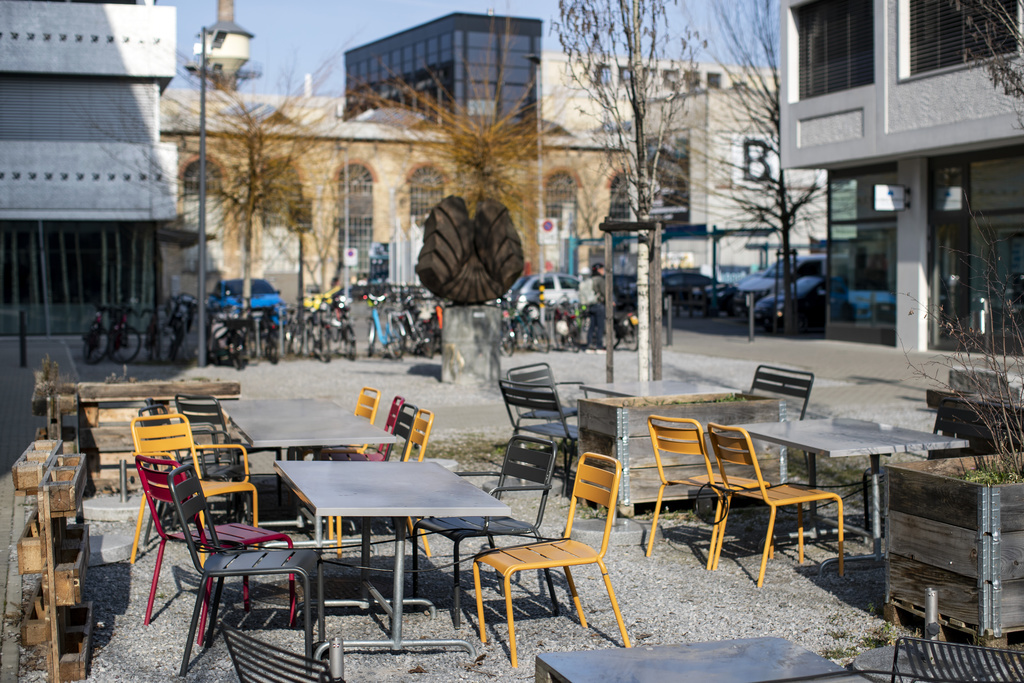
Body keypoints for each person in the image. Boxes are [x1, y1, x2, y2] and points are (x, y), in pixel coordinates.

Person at [584, 263, 606, 352]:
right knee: (600, 326)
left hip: (590, 305)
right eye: (602, 269)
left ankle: (589, 345)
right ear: (599, 270)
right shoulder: (600, 280)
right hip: (599, 305)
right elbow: (604, 292)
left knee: (592, 326)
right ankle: (599, 346)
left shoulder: (590, 279)